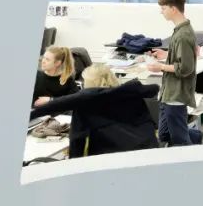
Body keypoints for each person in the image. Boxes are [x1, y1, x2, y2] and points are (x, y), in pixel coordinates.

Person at [29, 63, 158, 158]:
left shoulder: (86, 103)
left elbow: (77, 139)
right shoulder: (132, 94)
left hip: (111, 160)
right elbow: (155, 89)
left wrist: (73, 165)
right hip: (148, 153)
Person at [147, 0, 200, 147]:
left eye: (163, 8)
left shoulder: (183, 35)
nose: (161, 12)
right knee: (164, 134)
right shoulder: (180, 31)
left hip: (176, 94)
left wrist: (160, 67)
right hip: (168, 93)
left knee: (180, 139)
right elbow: (181, 56)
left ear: (174, 9)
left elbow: (185, 68)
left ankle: (196, 156)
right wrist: (167, 54)